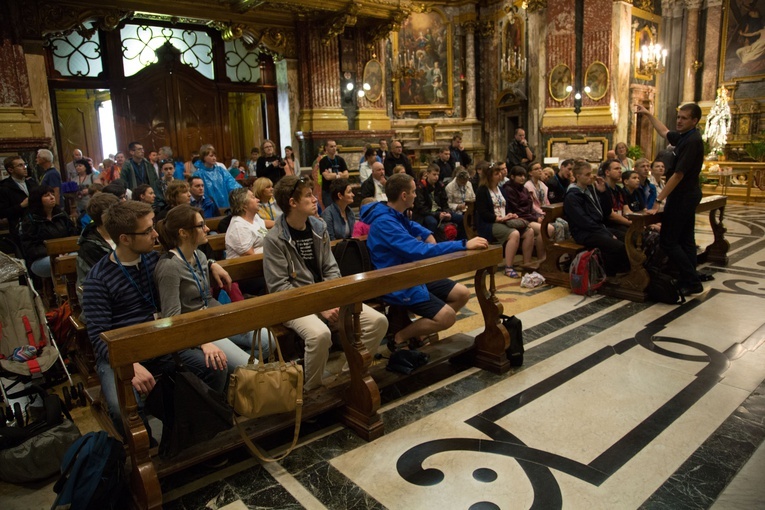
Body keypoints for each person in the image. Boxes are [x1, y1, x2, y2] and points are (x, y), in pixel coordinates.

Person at [81, 200, 228, 434]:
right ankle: (145, 452)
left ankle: (196, 428)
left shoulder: (152, 259)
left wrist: (211, 264)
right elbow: (98, 335)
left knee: (215, 367)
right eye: (148, 230)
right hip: (121, 352)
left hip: (159, 342)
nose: (156, 234)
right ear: (125, 239)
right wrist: (129, 364)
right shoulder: (98, 279)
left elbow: (185, 258)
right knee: (122, 409)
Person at [263, 175, 388, 391]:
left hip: (327, 297)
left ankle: (350, 377)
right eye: (309, 195)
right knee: (320, 335)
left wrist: (332, 299)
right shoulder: (275, 239)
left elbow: (331, 268)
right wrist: (320, 307)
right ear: (292, 203)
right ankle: (311, 391)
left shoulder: (318, 227)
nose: (315, 200)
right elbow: (279, 287)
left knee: (378, 321)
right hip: (293, 304)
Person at [361, 173, 488, 350]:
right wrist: (464, 244)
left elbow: (411, 226)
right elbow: (419, 251)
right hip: (396, 281)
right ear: (404, 196)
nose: (416, 195)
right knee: (447, 317)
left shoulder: (393, 213)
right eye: (413, 192)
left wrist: (427, 233)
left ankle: (419, 334)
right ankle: (399, 337)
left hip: (412, 274)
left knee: (462, 294)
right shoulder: (384, 223)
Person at [155, 205, 252, 371]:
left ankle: (235, 372)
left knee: (266, 340)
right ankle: (238, 372)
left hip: (212, 316)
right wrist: (201, 342)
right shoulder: (169, 266)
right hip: (196, 328)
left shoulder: (199, 255)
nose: (206, 228)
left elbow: (206, 297)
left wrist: (212, 263)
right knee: (252, 365)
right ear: (183, 232)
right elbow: (172, 317)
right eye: (200, 226)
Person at [636, 102, 707, 294]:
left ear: (694, 120)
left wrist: (658, 200)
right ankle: (689, 277)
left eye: (684, 118)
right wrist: (648, 114)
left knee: (668, 241)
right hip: (685, 194)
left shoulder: (692, 141)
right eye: (679, 117)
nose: (680, 121)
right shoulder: (685, 136)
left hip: (683, 195)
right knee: (686, 240)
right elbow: (664, 132)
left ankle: (692, 281)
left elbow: (678, 175)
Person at [563, 159, 629, 276]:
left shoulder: (590, 190)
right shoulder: (572, 196)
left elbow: (605, 211)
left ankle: (625, 271)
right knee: (617, 246)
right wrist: (607, 233)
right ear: (578, 176)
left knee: (626, 237)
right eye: (587, 174)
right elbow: (583, 221)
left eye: (591, 173)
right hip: (583, 233)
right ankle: (611, 275)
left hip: (597, 228)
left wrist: (603, 192)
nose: (591, 176)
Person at [474, 161, 534, 278]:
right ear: (489, 176)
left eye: (499, 173)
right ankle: (508, 267)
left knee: (529, 231)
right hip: (489, 223)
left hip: (504, 220)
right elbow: (483, 213)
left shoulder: (501, 189)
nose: (500, 175)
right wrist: (499, 218)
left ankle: (527, 264)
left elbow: (505, 207)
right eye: (496, 174)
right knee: (514, 234)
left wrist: (510, 215)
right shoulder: (482, 190)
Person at [20, 186, 79, 279]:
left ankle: (75, 289)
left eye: (52, 194)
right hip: (41, 259)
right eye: (47, 195)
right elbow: (30, 248)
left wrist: (67, 251)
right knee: (63, 262)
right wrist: (55, 253)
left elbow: (74, 235)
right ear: (38, 200)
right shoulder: (30, 220)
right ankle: (69, 290)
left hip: (67, 254)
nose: (52, 197)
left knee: (80, 258)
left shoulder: (61, 215)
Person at [503, 166, 554, 262]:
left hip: (529, 216)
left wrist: (536, 217)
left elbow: (530, 206)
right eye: (520, 176)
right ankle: (539, 259)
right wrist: (535, 219)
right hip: (519, 217)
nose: (522, 178)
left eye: (524, 176)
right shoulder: (508, 189)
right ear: (513, 176)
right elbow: (516, 210)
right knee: (547, 229)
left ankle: (540, 258)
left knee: (550, 227)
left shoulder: (523, 189)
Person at [76, 192, 119, 305]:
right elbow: (101, 283)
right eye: (117, 212)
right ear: (104, 217)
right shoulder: (89, 247)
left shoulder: (124, 235)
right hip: (100, 303)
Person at [413, 164, 462, 239]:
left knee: (460, 218)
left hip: (440, 211)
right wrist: (437, 214)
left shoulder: (440, 185)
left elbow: (445, 203)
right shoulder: (421, 187)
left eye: (438, 175)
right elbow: (421, 208)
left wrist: (447, 212)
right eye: (434, 174)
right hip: (426, 213)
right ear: (428, 174)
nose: (436, 177)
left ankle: (461, 240)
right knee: (432, 222)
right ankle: (430, 243)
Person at [0, 156, 38, 244]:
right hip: (20, 229)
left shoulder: (32, 184)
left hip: (37, 226)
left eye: (25, 164)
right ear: (10, 170)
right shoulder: (4, 188)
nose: (25, 168)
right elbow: (2, 212)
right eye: (20, 165)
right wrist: (21, 206)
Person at [225, 187, 268, 258]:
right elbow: (250, 257)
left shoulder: (254, 217)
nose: (258, 200)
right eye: (253, 197)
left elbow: (263, 223)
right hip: (249, 266)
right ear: (243, 204)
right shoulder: (238, 227)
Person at [597, 158, 632, 239]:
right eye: (616, 169)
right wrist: (629, 222)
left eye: (620, 168)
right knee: (631, 237)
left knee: (641, 232)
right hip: (609, 225)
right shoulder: (602, 189)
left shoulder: (619, 189)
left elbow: (626, 210)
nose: (620, 171)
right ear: (607, 172)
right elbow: (611, 216)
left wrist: (636, 220)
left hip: (621, 222)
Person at [318, 140, 349, 208]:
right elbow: (327, 177)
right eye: (331, 146)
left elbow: (346, 175)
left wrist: (333, 175)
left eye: (335, 146)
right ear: (326, 148)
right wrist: (339, 174)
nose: (334, 148)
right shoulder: (323, 161)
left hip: (339, 190)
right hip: (328, 191)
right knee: (330, 210)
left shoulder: (340, 160)